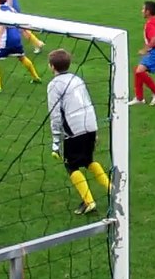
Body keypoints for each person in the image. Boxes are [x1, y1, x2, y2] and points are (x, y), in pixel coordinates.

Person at [46, 49, 111, 215]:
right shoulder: (77, 79)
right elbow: (89, 102)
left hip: (73, 129)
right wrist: (94, 129)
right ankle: (113, 190)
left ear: (52, 66)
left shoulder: (54, 85)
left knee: (71, 165)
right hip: (89, 124)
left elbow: (55, 114)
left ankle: (89, 202)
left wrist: (55, 141)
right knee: (89, 160)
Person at [0, 0, 42, 95]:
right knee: (21, 57)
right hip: (16, 37)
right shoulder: (11, 9)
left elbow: (1, 25)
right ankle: (36, 77)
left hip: (6, 39)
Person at [130, 0, 155, 107]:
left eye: (143, 9)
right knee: (137, 70)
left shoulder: (150, 23)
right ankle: (139, 98)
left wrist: (145, 49)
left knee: (139, 71)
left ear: (148, 11)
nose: (141, 11)